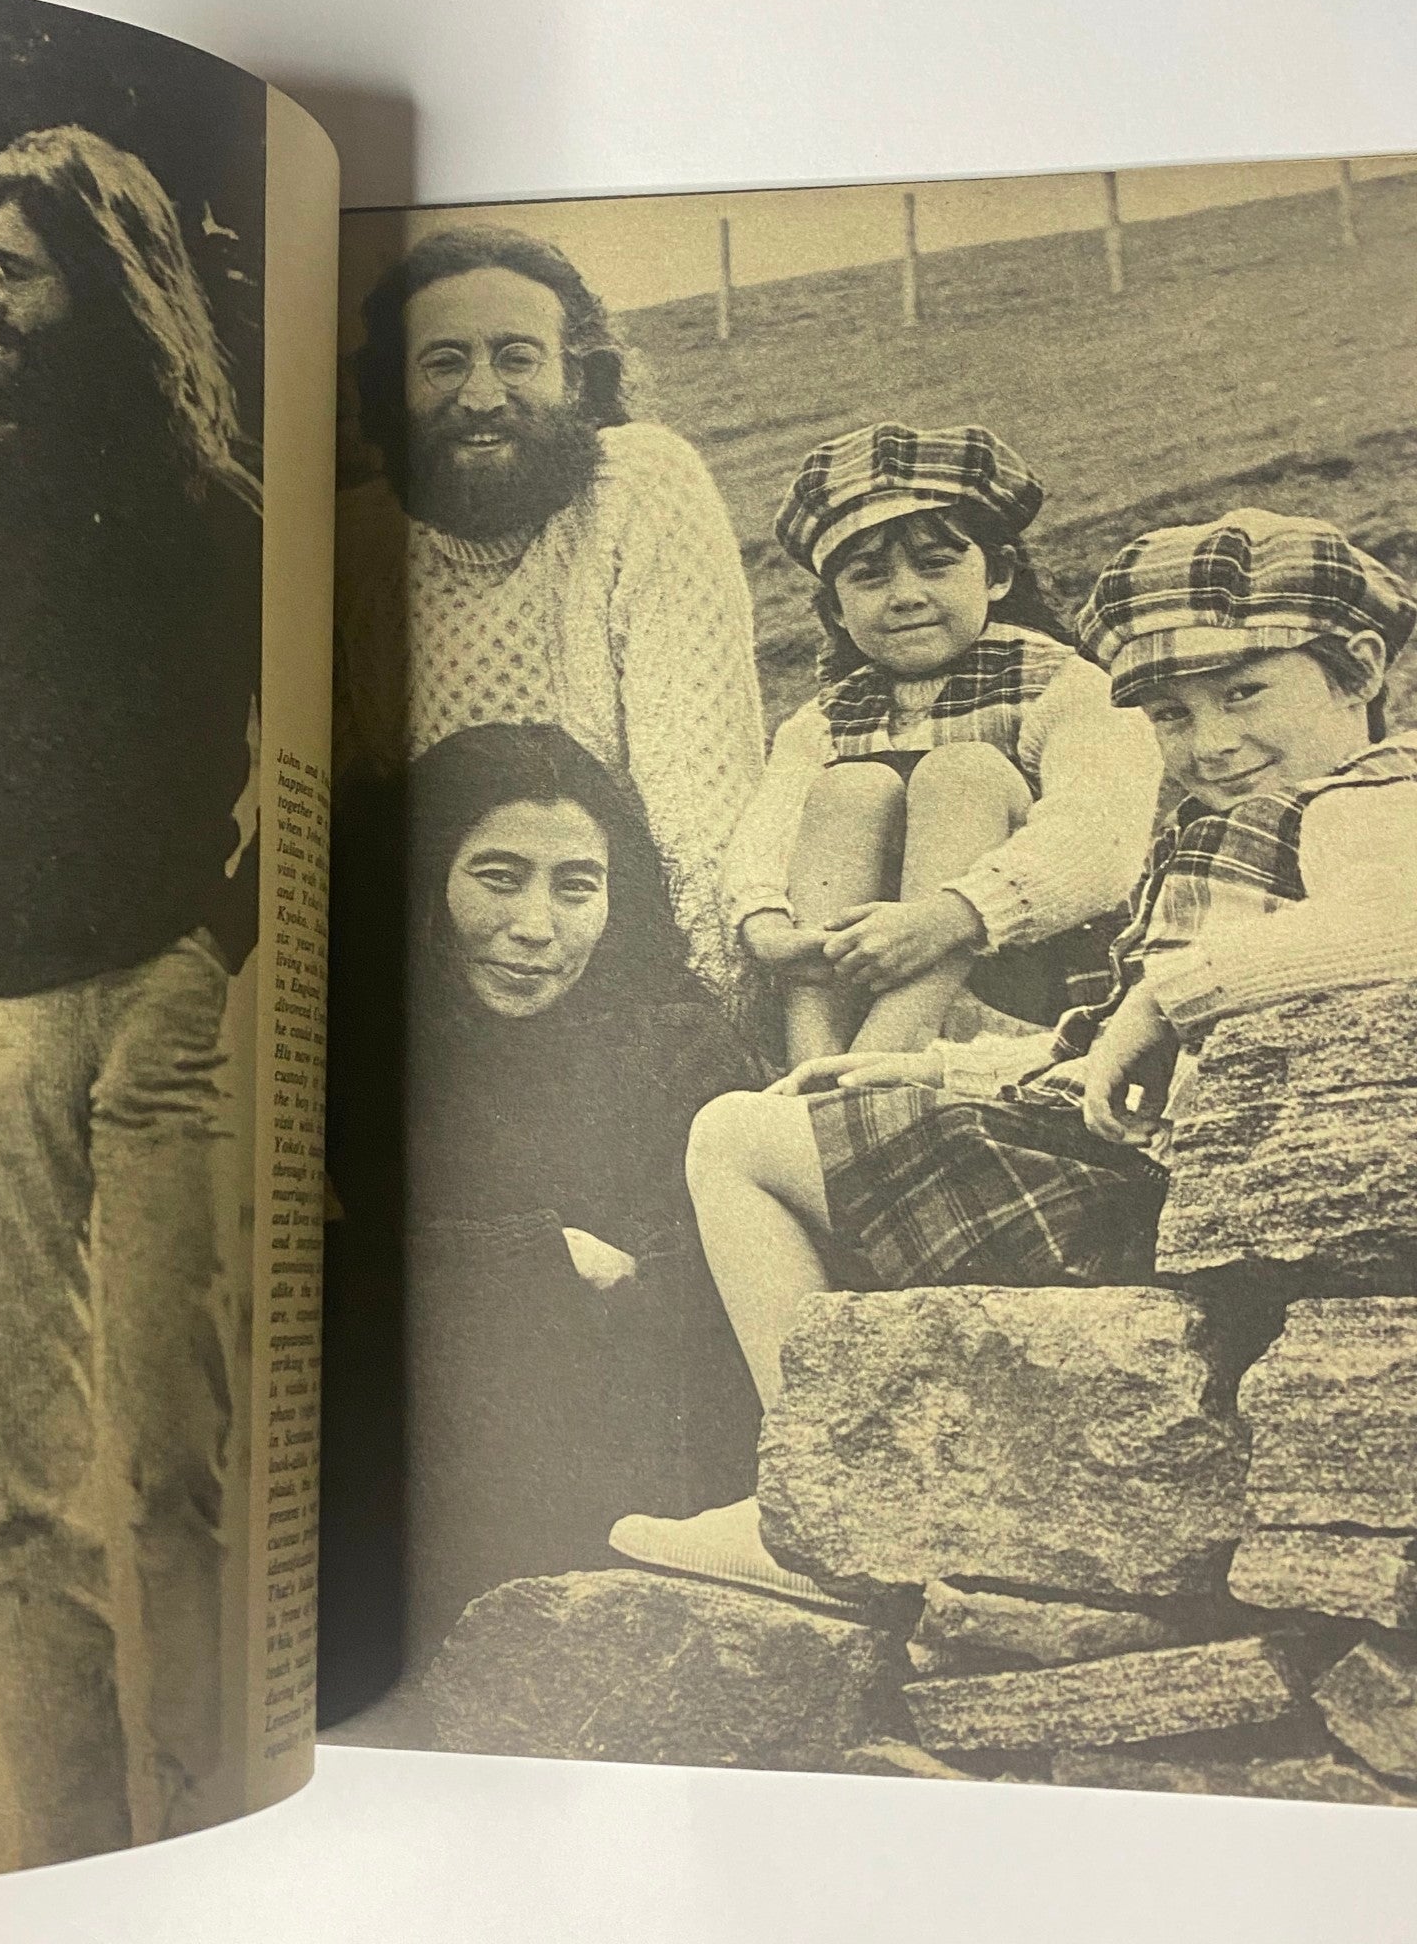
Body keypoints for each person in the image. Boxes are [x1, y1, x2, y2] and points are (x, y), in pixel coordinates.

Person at [610, 508, 1417, 1601]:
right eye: (1172, 715)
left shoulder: (1373, 797)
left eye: (1244, 692)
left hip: (1165, 1195)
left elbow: (1389, 928)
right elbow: (1096, 1048)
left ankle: (811, 1499)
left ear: (1357, 665)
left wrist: (1172, 994)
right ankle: (831, 1486)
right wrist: (931, 1066)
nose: (1209, 742)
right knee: (765, 1125)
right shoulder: (1247, 814)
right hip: (1131, 1162)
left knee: (737, 1143)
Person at [0, 126, 263, 1861]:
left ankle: (223, 1823)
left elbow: (297, 759)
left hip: (158, 1002)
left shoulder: (220, 513)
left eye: (12, 266)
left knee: (184, 1456)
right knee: (21, 1481)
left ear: (105, 278)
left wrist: (211, 953)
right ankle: (71, 1857)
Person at [331, 723, 762, 1656]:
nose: (536, 927)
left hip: (624, 1483)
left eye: (577, 886)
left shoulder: (676, 1044)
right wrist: (542, 1255)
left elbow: (708, 1280)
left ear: (620, 897)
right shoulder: (354, 1030)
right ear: (423, 879)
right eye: (497, 876)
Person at [335, 224, 766, 999]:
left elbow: (700, 796)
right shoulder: (360, 543)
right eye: (442, 362)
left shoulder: (639, 487)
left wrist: (706, 1016)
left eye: (516, 356)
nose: (480, 396)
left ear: (578, 379)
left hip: (638, 972)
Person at [728, 423, 1161, 1065]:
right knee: (851, 784)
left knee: (965, 773)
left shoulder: (1064, 686)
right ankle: (811, 1063)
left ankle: (881, 1059)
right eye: (869, 576)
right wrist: (764, 926)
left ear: (998, 574)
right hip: (851, 980)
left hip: (1024, 989)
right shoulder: (821, 722)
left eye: (936, 565)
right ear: (837, 611)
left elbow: (1100, 836)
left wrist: (950, 916)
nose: (906, 596)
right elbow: (764, 837)